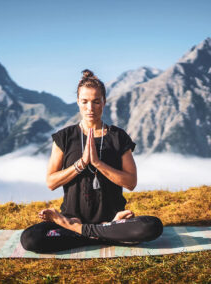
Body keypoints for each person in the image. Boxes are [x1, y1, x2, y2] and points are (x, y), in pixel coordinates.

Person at [20, 69, 163, 253]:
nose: (90, 108)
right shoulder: (65, 137)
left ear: (104, 102)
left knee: (152, 226)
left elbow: (131, 182)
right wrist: (81, 164)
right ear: (78, 102)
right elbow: (51, 182)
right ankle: (100, 233)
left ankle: (81, 233)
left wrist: (97, 163)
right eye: (85, 102)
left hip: (113, 220)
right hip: (72, 219)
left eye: (96, 101)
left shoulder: (117, 136)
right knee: (30, 239)